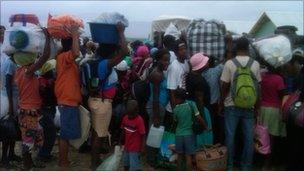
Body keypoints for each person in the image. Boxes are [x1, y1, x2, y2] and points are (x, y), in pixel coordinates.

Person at [88, 23, 128, 169]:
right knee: (99, 135)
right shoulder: (105, 64)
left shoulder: (95, 60)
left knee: (96, 132)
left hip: (95, 100)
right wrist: (121, 33)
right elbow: (124, 52)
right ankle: (94, 164)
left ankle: (96, 159)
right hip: (102, 103)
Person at [219, 37, 261, 171]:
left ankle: (230, 166)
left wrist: (221, 103)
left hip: (231, 105)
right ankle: (246, 166)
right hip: (249, 106)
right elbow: (258, 88)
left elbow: (224, 85)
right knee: (248, 138)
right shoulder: (255, 64)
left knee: (230, 137)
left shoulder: (229, 63)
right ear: (248, 48)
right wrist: (257, 107)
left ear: (236, 48)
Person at [14, 28, 50, 170]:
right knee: (28, 141)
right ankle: (27, 167)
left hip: (27, 110)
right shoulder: (28, 72)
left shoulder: (19, 71)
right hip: (29, 111)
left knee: (30, 139)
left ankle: (29, 164)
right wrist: (47, 37)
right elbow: (45, 56)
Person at [55, 26, 82, 168]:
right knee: (65, 134)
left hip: (68, 100)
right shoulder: (65, 57)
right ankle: (63, 162)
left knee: (65, 133)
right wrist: (75, 34)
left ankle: (63, 160)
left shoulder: (63, 57)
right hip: (67, 101)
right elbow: (76, 52)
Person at [0, 25, 21, 167]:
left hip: (14, 98)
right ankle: (4, 158)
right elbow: (7, 84)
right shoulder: (9, 62)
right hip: (8, 99)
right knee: (7, 128)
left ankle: (12, 154)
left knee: (13, 128)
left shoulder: (14, 61)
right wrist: (11, 107)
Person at [259, 62, 287, 169]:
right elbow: (282, 95)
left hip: (262, 109)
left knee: (262, 136)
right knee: (272, 138)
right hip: (274, 110)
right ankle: (268, 162)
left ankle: (262, 159)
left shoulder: (263, 77)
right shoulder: (279, 79)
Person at [146, 49, 170, 167]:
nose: (167, 63)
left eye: (168, 60)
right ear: (158, 60)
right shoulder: (157, 74)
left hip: (159, 106)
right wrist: (156, 115)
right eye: (165, 60)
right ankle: (151, 159)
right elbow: (155, 97)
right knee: (154, 133)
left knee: (156, 133)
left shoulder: (160, 72)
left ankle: (153, 156)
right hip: (157, 107)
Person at [186, 53, 213, 147]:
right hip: (200, 110)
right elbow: (199, 100)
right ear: (201, 66)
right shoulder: (199, 81)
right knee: (203, 135)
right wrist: (203, 120)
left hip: (191, 108)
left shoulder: (190, 75)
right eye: (205, 62)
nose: (208, 63)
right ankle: (201, 155)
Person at [165, 39, 189, 132]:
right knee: (171, 137)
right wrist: (175, 112)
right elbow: (172, 91)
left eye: (185, 48)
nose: (184, 51)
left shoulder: (186, 63)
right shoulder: (174, 67)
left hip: (182, 106)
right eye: (181, 49)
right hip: (173, 109)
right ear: (175, 52)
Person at [173, 88, 199, 171]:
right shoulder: (191, 105)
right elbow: (197, 117)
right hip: (189, 134)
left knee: (179, 156)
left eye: (175, 98)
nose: (174, 99)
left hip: (179, 135)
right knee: (188, 156)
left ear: (178, 98)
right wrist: (206, 126)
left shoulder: (176, 109)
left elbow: (175, 120)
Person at [37, 60, 57, 162]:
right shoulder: (42, 81)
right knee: (50, 132)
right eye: (51, 70)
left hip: (50, 108)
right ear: (46, 71)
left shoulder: (51, 80)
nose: (53, 71)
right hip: (45, 109)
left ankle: (45, 153)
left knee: (48, 132)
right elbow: (45, 95)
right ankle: (43, 154)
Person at [202, 56, 225, 144]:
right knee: (217, 125)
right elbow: (224, 64)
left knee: (209, 124)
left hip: (206, 103)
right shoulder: (217, 70)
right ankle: (217, 142)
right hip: (215, 103)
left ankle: (209, 142)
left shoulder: (202, 73)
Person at [120, 100, 146, 171]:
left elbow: (143, 135)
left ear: (137, 111)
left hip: (135, 148)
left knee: (135, 165)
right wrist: (120, 141)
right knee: (126, 163)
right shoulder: (125, 118)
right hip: (127, 146)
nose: (130, 117)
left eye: (132, 115)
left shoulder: (139, 120)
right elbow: (123, 130)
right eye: (129, 114)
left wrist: (143, 147)